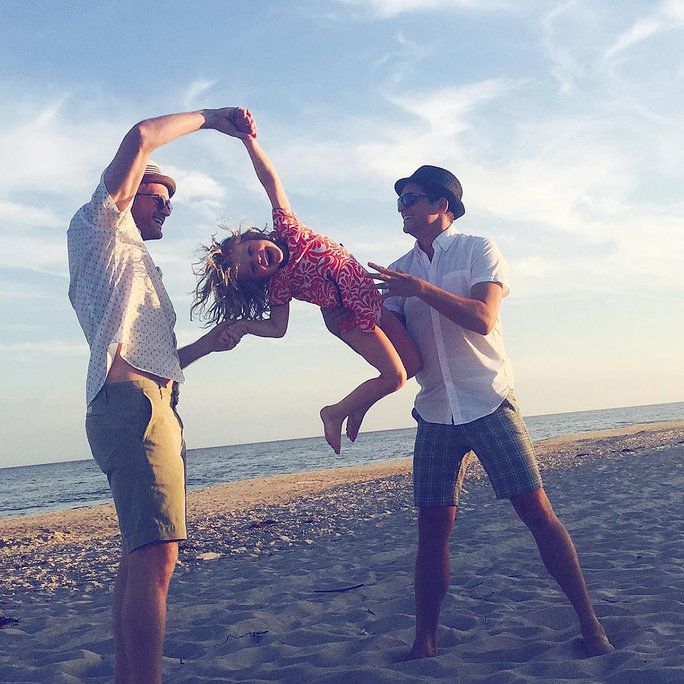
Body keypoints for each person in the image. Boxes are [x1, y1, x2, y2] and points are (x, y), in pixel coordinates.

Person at [369, 165, 614, 660]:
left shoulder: (478, 248)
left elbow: (482, 319)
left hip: (488, 400)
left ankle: (591, 626)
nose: (403, 208)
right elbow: (405, 357)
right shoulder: (398, 270)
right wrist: (367, 311)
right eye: (399, 201)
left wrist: (419, 292)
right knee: (432, 528)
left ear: (443, 206)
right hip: (435, 409)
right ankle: (425, 641)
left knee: (537, 513)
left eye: (411, 199)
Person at [67, 107, 254, 684]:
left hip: (145, 400)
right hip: (133, 407)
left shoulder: (134, 260)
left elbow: (154, 357)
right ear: (125, 195)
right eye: (156, 195)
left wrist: (202, 349)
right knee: (157, 556)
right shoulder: (100, 226)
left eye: (168, 198)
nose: (165, 205)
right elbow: (142, 136)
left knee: (140, 555)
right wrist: (214, 119)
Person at [191, 116, 421, 454]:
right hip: (349, 318)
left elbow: (270, 180)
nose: (260, 259)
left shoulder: (287, 228)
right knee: (395, 377)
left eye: (253, 251)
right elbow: (277, 328)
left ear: (255, 237)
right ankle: (334, 412)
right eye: (254, 269)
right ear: (258, 282)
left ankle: (359, 407)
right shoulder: (279, 286)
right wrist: (244, 326)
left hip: (370, 300)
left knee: (413, 365)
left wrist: (249, 141)